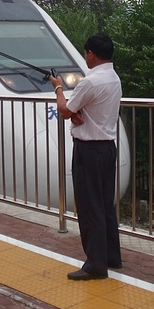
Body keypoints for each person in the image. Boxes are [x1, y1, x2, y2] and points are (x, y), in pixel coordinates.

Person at [51, 33, 122, 281]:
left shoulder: (90, 82)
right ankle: (112, 257)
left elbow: (64, 109)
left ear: (91, 53)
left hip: (88, 150)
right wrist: (77, 113)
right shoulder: (114, 78)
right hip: (107, 148)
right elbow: (87, 110)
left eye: (86, 53)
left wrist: (58, 87)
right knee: (104, 205)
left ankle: (95, 265)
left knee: (89, 207)